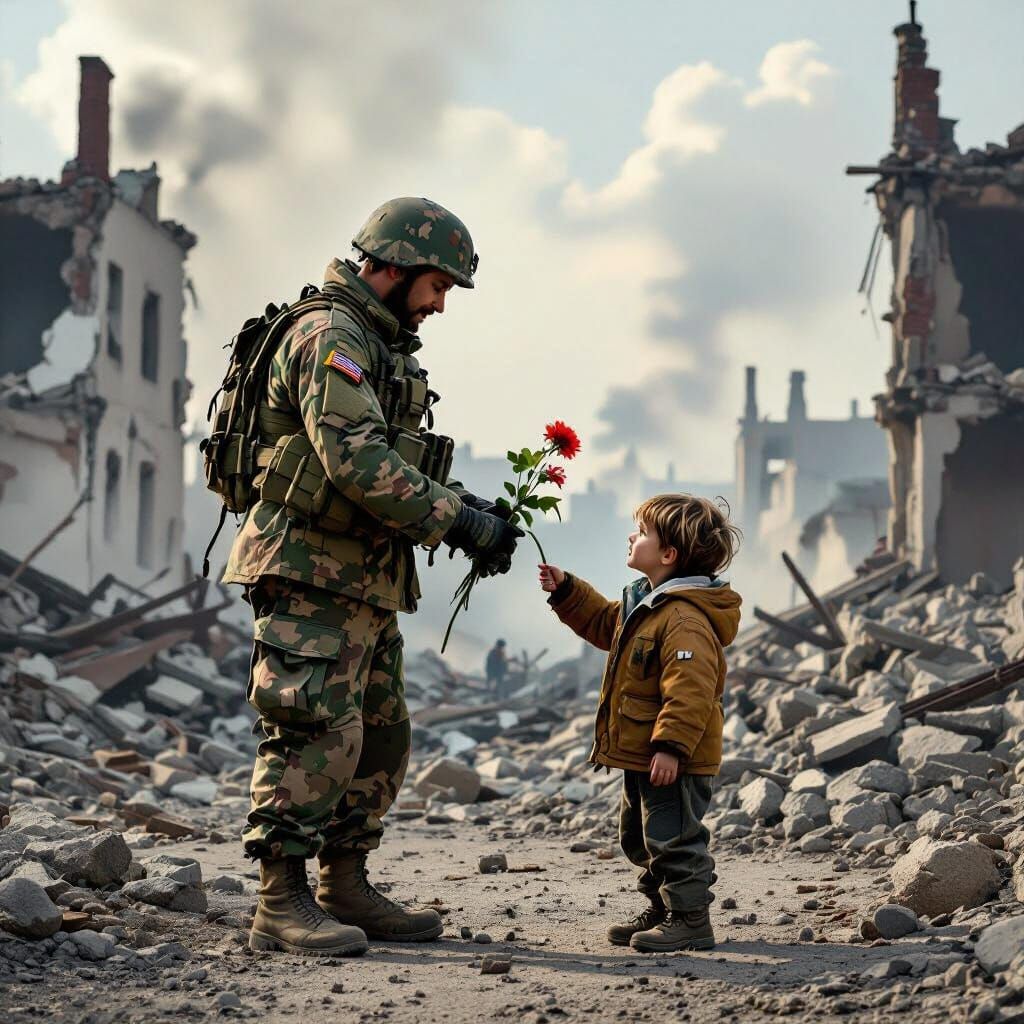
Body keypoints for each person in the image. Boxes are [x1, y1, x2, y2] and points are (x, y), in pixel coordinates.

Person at [222, 198, 521, 957]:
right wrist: (457, 522)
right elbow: (355, 460)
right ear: (393, 266)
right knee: (314, 727)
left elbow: (394, 458)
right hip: (309, 568)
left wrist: (467, 506)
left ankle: (344, 883)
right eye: (436, 285)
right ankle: (279, 903)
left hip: (362, 576)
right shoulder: (331, 336)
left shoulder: (380, 342)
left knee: (382, 736)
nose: (440, 304)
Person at [538, 494, 742, 952]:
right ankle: (662, 909)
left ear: (668, 555)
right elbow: (606, 624)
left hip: (672, 758)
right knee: (640, 837)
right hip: (644, 754)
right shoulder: (646, 605)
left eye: (643, 532)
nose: (632, 536)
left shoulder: (685, 618)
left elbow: (690, 690)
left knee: (674, 838)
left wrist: (671, 746)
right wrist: (568, 590)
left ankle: (690, 920)